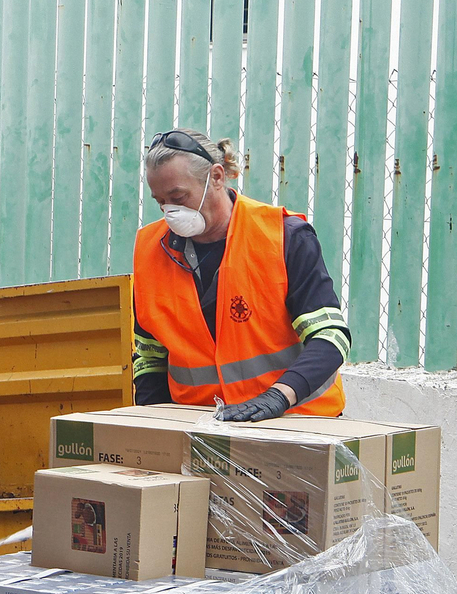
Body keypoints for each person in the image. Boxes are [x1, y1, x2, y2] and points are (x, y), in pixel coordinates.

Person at [132, 128, 351, 421]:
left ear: (218, 177)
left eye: (179, 196)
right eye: (161, 201)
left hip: (297, 420)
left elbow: (330, 337)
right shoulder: (150, 250)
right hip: (201, 428)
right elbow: (149, 358)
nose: (170, 211)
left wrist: (279, 396)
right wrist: (151, 425)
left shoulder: (284, 237)